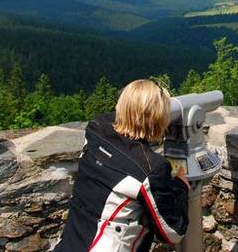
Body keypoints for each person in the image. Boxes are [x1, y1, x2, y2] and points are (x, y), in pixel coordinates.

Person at [55, 79, 189, 251]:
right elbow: (172, 232)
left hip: (70, 244)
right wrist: (181, 186)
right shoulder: (150, 169)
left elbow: (119, 120)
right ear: (159, 118)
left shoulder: (95, 130)